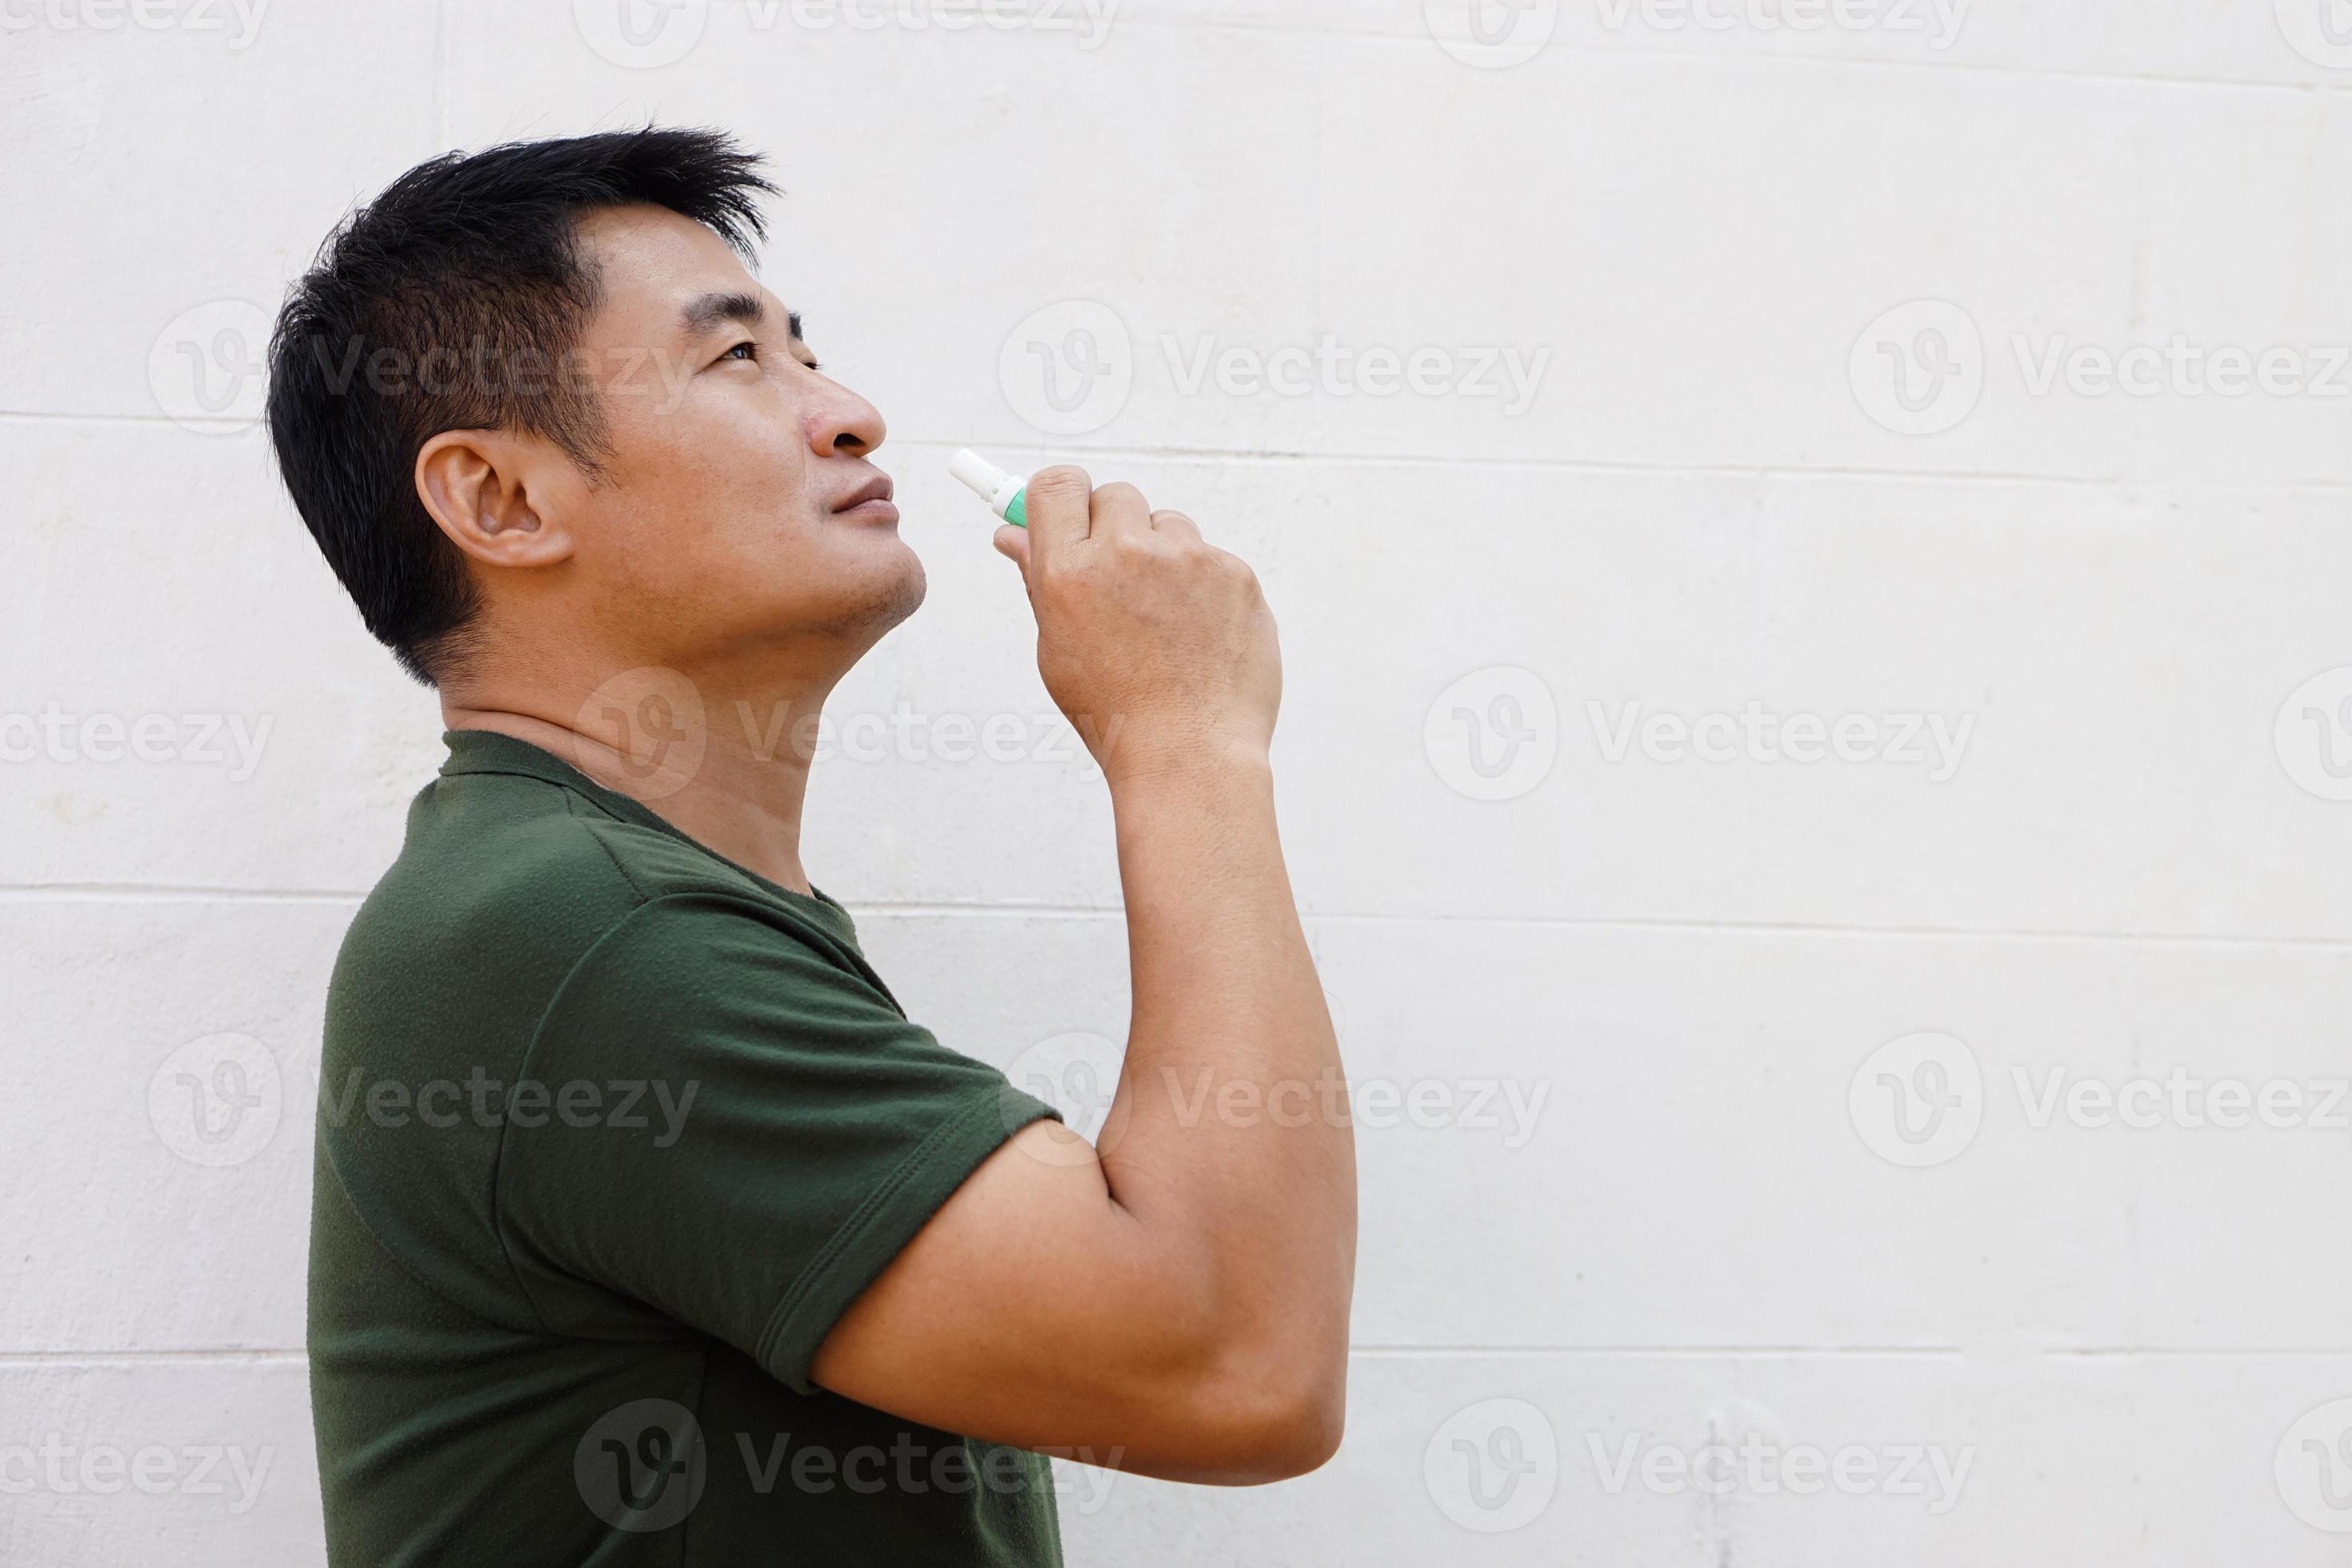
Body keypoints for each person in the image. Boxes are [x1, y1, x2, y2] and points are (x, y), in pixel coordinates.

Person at [266, 126, 1356, 1565]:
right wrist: (1187, 741)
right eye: (738, 361)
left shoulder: (597, 907)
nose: (849, 413)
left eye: (806, 350)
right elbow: (1237, 1369)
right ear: (501, 502)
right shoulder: (581, 941)